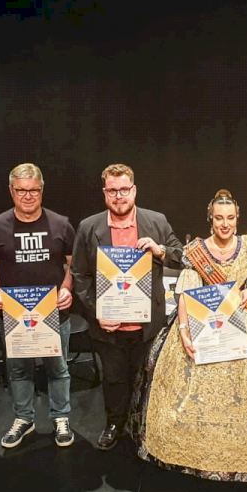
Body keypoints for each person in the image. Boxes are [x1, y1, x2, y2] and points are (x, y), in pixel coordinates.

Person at [133, 190, 247, 480]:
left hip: (243, 320)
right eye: (219, 218)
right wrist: (183, 331)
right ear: (210, 219)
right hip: (203, 321)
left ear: (237, 218)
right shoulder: (197, 251)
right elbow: (185, 295)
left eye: (230, 218)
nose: (225, 224)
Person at [71, 163, 183, 450]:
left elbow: (181, 256)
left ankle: (144, 427)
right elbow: (80, 275)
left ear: (134, 190)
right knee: (114, 379)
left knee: (145, 378)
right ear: (104, 192)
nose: (118, 196)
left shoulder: (156, 221)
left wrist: (160, 250)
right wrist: (98, 312)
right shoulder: (88, 227)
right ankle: (114, 423)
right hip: (108, 325)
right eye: (112, 191)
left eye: (124, 190)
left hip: (147, 323)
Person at [0, 163, 77, 449]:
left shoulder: (61, 224)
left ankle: (61, 417)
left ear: (42, 190)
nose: (28, 196)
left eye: (34, 190)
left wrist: (67, 289)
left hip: (54, 314)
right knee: (19, 371)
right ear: (11, 191)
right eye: (21, 190)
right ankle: (24, 418)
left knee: (58, 369)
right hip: (14, 316)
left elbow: (74, 265)